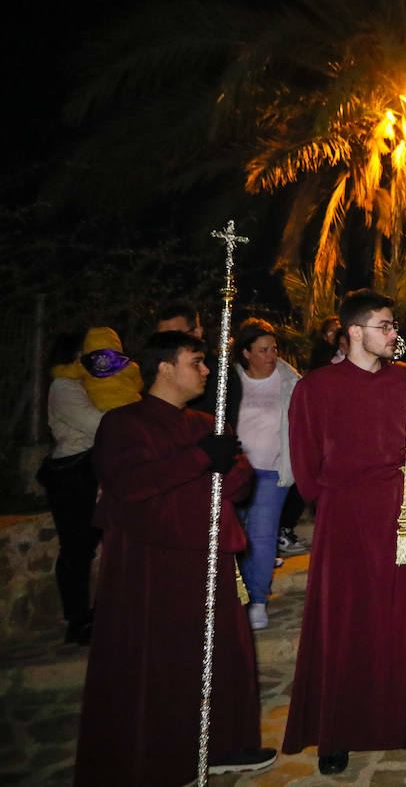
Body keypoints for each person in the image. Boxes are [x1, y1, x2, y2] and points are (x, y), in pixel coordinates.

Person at [74, 331, 274, 784]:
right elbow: (130, 484)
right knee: (165, 663)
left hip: (210, 557)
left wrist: (225, 464)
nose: (205, 371)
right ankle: (162, 757)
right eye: (196, 361)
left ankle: (223, 744)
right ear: (164, 368)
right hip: (154, 566)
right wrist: (198, 459)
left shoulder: (207, 422)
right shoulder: (123, 424)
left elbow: (240, 483)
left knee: (223, 654)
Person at [283, 289, 406, 775]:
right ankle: (337, 731)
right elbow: (305, 461)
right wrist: (338, 501)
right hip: (346, 517)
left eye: (394, 325)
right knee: (346, 620)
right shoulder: (315, 388)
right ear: (355, 332)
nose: (394, 333)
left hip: (400, 515)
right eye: (385, 325)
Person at [230, 318, 301, 629]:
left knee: (261, 535)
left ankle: (258, 600)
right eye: (262, 350)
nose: (271, 355)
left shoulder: (290, 381)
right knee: (234, 535)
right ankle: (237, 596)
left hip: (272, 470)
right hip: (235, 470)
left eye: (273, 348)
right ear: (246, 353)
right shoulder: (231, 381)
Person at [39, 333, 106, 644]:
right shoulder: (63, 387)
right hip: (72, 474)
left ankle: (90, 615)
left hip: (84, 470)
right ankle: (77, 620)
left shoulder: (80, 383)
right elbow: (96, 424)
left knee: (86, 546)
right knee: (77, 549)